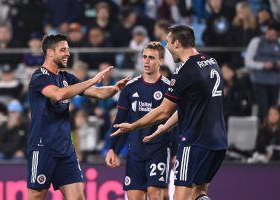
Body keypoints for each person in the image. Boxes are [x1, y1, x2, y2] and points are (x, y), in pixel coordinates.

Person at [111, 25, 227, 200]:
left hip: (194, 142)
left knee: (180, 197)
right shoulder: (211, 62)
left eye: (168, 41)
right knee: (198, 194)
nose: (167, 44)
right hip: (218, 142)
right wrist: (163, 128)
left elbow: (163, 111)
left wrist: (133, 125)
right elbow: (188, 107)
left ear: (177, 43)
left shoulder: (185, 71)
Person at [27, 34, 130, 200]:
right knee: (36, 197)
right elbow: (58, 95)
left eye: (68, 49)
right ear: (50, 53)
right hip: (42, 149)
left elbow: (97, 93)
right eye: (63, 50)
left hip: (65, 150)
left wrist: (115, 88)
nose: (68, 53)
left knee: (78, 197)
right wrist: (92, 80)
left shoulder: (66, 77)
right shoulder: (39, 77)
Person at [105, 41, 173, 200]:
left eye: (151, 58)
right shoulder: (130, 87)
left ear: (161, 61)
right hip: (135, 150)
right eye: (144, 57)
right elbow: (120, 120)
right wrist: (113, 149)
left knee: (155, 195)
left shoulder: (168, 88)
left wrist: (176, 151)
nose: (147, 61)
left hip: (159, 149)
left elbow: (176, 122)